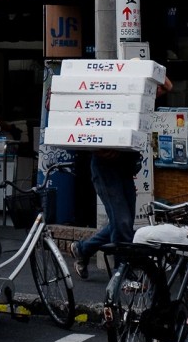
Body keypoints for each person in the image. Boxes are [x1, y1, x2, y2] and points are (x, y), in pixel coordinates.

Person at [70, 76, 173, 280]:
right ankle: (122, 271)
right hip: (105, 167)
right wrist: (97, 149)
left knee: (122, 222)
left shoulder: (141, 98)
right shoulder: (108, 99)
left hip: (126, 165)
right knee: (123, 221)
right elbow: (84, 128)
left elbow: (168, 86)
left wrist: (149, 70)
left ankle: (83, 249)